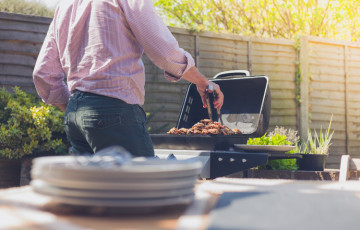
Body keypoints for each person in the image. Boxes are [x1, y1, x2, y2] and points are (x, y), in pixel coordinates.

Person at [33, 0, 224, 157]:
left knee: (95, 195)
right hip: (114, 112)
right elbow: (165, 53)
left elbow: (43, 74)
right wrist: (201, 81)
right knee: (145, 191)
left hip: (75, 115)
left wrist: (79, 110)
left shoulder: (65, 6)